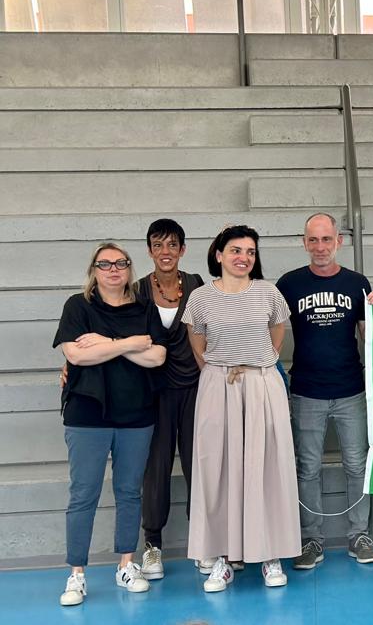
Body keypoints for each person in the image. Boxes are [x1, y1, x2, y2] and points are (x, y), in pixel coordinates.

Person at [182, 225, 300, 591]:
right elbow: (198, 342)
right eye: (235, 250)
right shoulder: (200, 297)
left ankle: (270, 555)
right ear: (219, 255)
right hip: (218, 386)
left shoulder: (268, 292)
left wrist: (256, 365)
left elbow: (277, 335)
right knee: (218, 471)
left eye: (250, 251)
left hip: (262, 383)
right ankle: (223, 557)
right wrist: (221, 372)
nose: (243, 257)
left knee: (268, 468)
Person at [53, 243, 167, 606]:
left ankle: (126, 565)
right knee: (83, 494)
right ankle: (76, 574)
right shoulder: (78, 306)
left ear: (130, 269)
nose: (113, 269)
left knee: (129, 491)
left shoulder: (144, 308)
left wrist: (105, 343)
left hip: (137, 414)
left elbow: (157, 357)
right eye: (105, 264)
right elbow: (76, 354)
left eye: (120, 263)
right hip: (87, 414)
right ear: (94, 270)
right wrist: (130, 343)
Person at [277, 213, 373, 569]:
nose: (320, 247)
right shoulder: (289, 284)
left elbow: (369, 337)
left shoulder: (357, 283)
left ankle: (359, 535)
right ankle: (311, 539)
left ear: (339, 241)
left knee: (357, 465)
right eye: (314, 240)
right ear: (304, 242)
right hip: (306, 391)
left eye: (327, 239)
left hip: (351, 390)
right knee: (308, 468)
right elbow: (267, 327)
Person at [133, 219, 205, 579]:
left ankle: (203, 543)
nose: (166, 251)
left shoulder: (196, 285)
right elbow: (111, 328)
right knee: (156, 469)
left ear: (182, 249)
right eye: (158, 245)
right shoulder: (136, 290)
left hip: (195, 387)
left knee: (198, 466)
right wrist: (71, 362)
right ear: (149, 250)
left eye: (172, 244)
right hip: (153, 392)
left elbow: (213, 329)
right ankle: (152, 546)